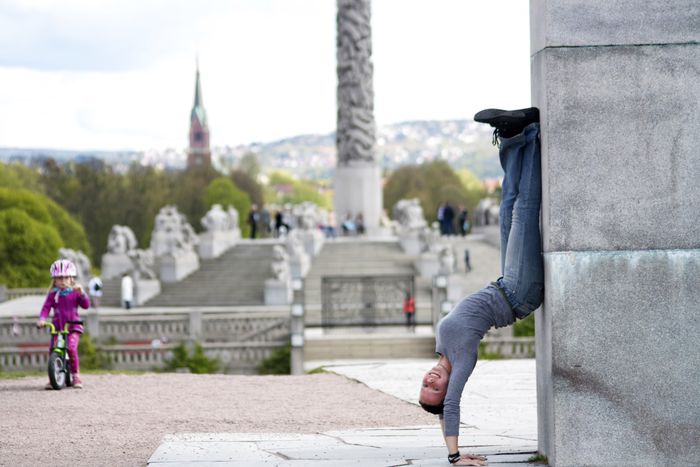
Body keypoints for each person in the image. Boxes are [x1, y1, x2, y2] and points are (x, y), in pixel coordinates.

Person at [418, 107, 542, 466]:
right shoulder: (461, 359)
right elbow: (452, 406)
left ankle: (512, 137)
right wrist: (455, 457)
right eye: (435, 388)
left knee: (506, 207)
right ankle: (532, 137)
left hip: (506, 282)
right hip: (520, 292)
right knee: (523, 209)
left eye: (424, 385)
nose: (430, 381)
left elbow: (442, 413)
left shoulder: (442, 349)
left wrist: (445, 438)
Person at [37, 259, 90, 389]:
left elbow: (86, 305)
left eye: (65, 277)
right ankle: (53, 376)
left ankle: (76, 375)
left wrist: (82, 293)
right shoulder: (53, 294)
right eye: (59, 278)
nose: (62, 280)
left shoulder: (75, 292)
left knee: (71, 348)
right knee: (53, 350)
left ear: (71, 278)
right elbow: (46, 308)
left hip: (73, 326)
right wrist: (42, 319)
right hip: (57, 327)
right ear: (54, 279)